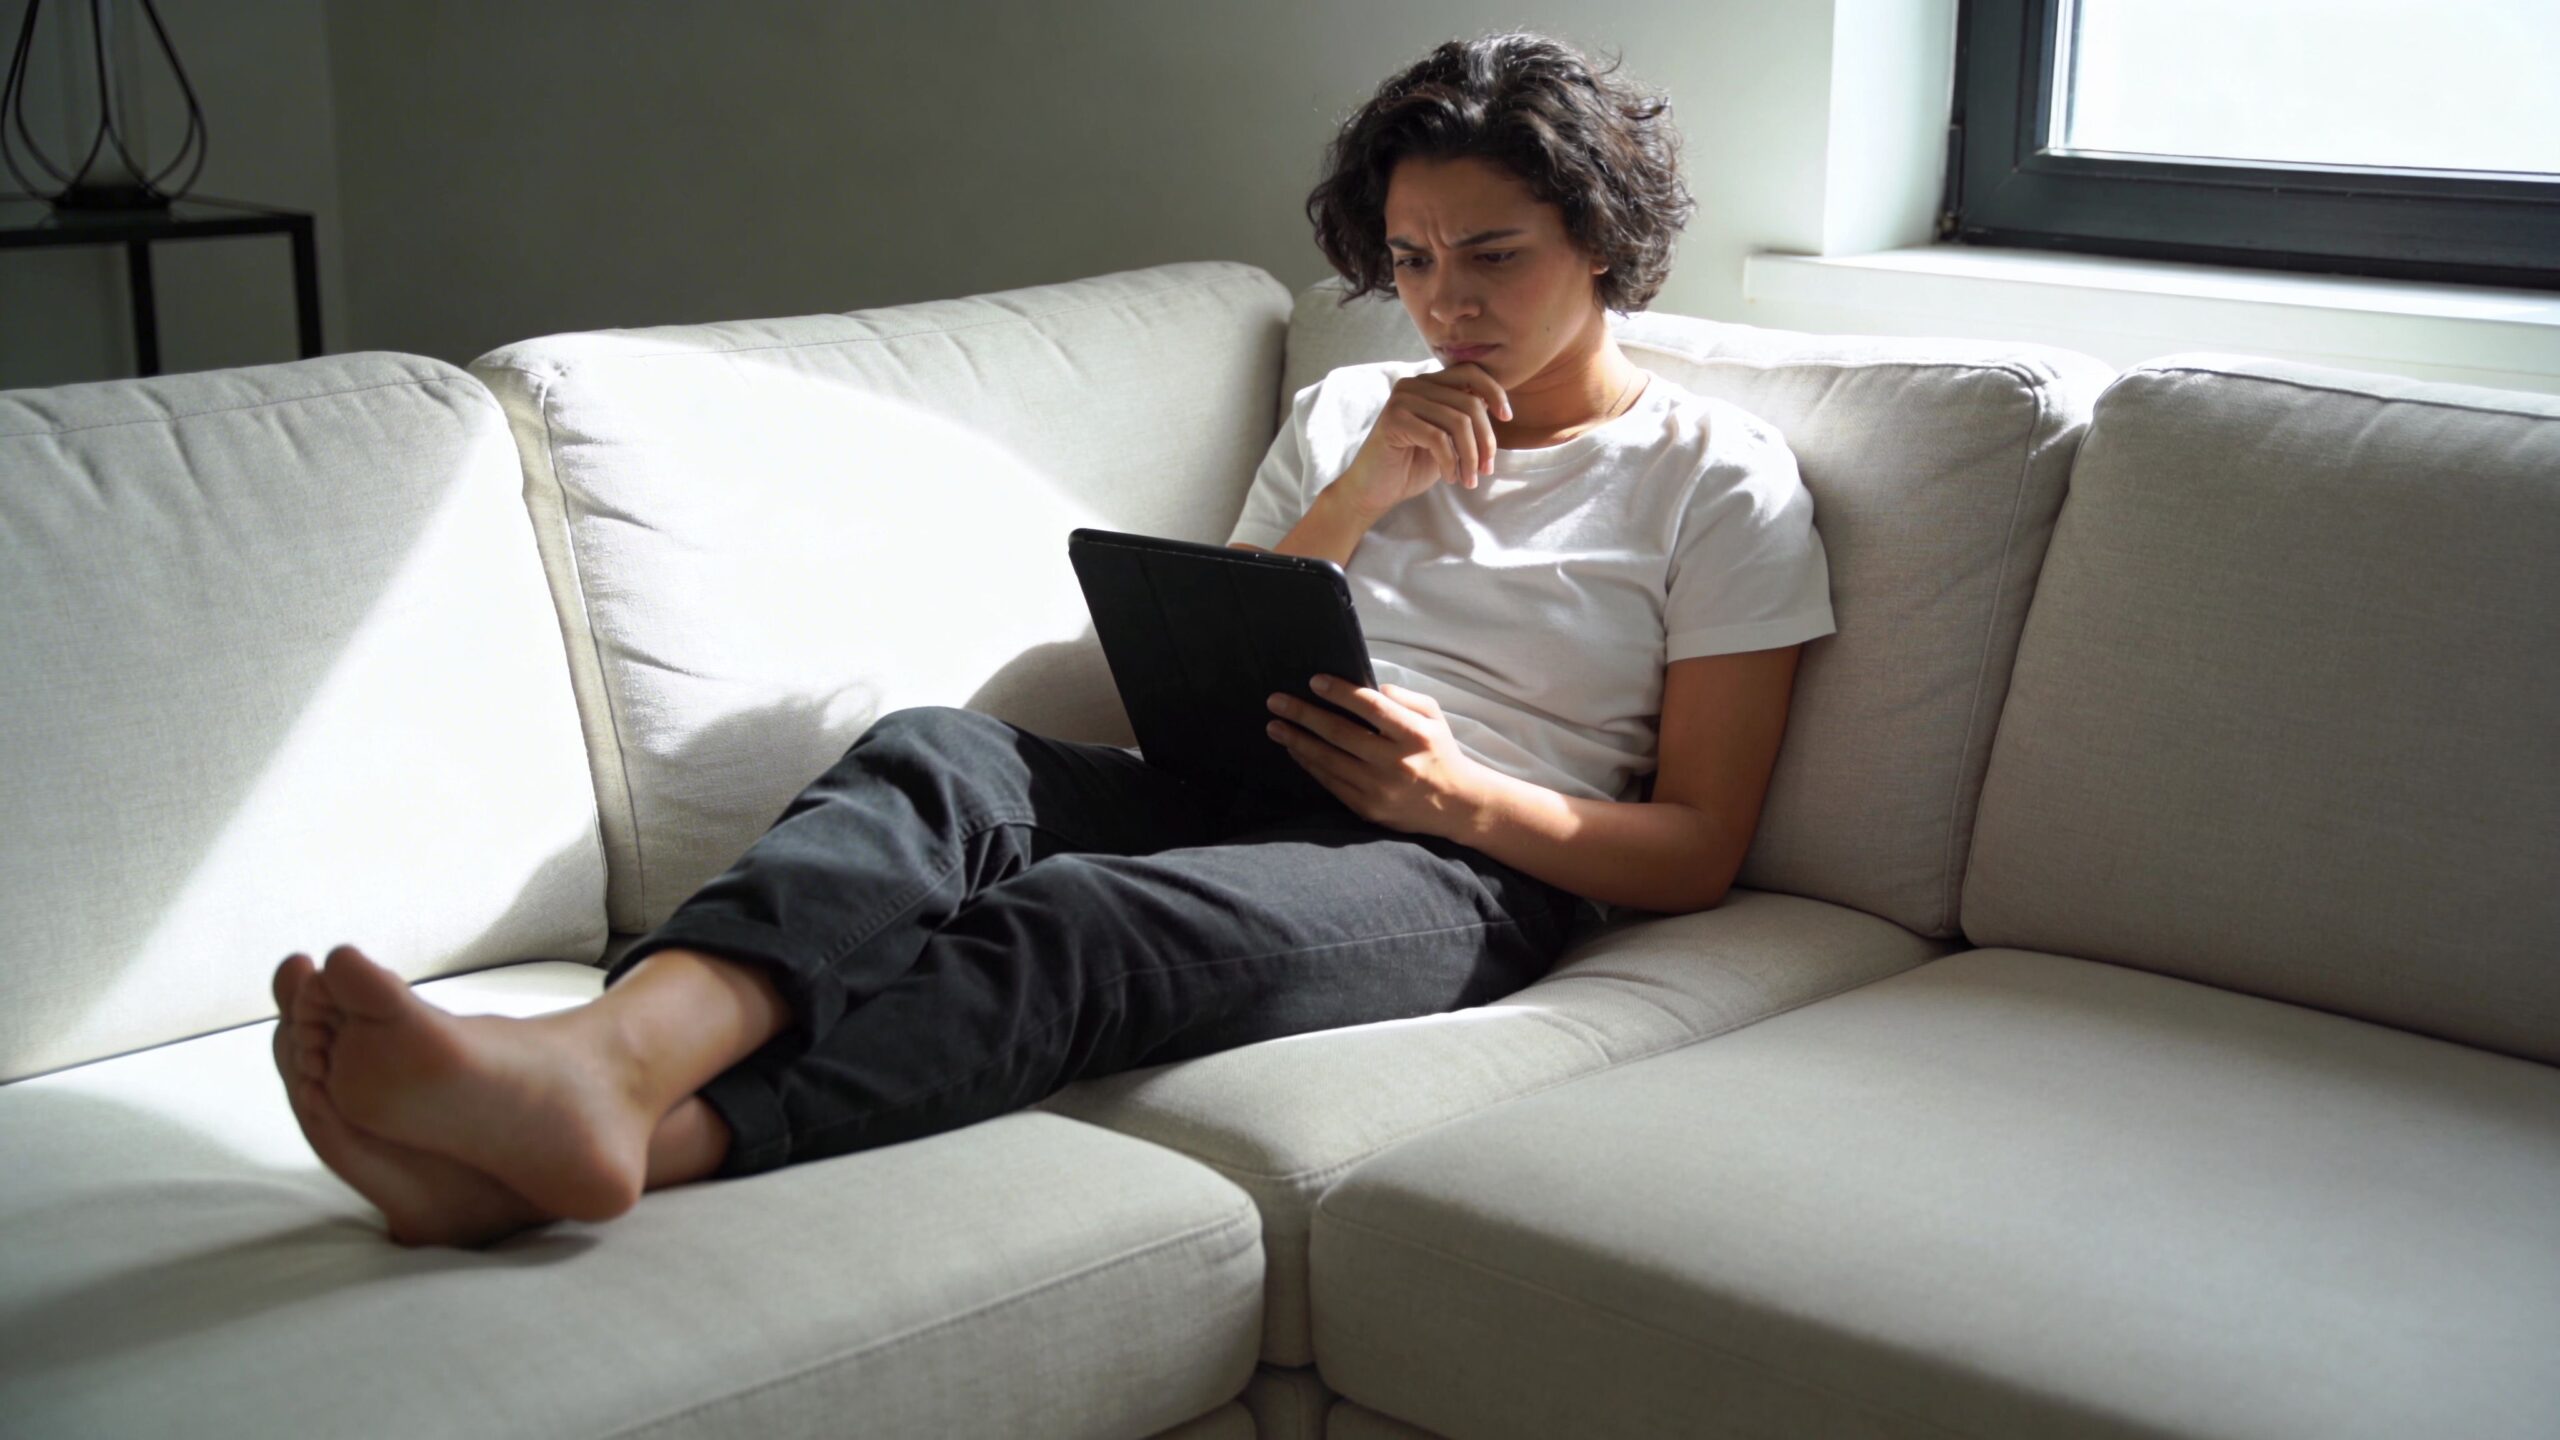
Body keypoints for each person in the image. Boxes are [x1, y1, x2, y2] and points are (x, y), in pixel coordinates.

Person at [269, 30, 1836, 1248]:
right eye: (1413, 262)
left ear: (1603, 237)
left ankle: (622, 1146)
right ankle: (604, 1056)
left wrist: (1458, 802)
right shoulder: (1348, 413)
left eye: (1492, 254)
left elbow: (1697, 845)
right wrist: (1360, 490)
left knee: (1085, 922)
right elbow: (1227, 648)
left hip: (1462, 872)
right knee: (939, 757)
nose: (1444, 305)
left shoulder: (1715, 479)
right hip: (1247, 787)